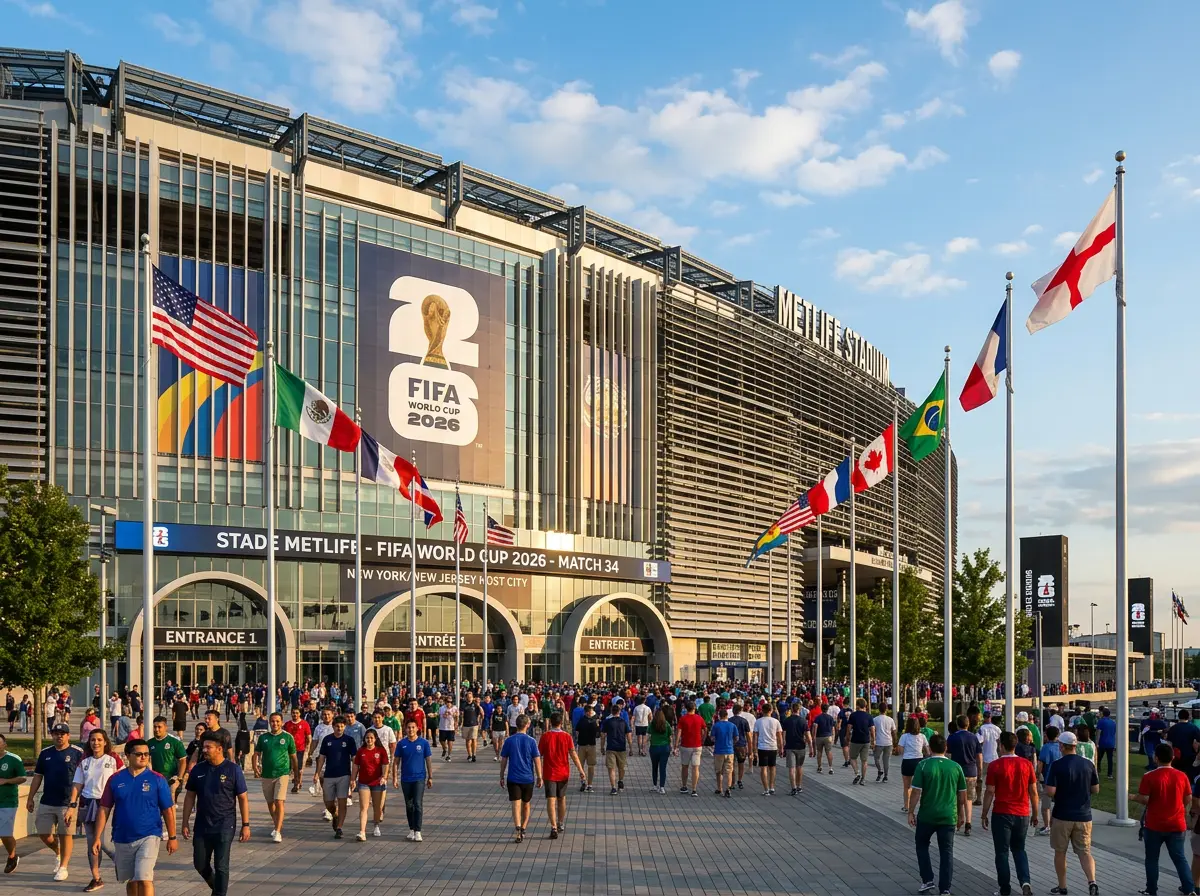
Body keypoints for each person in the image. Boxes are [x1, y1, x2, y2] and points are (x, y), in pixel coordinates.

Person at [90, 738, 176, 896]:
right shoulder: (115, 779)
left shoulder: (157, 779)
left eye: (146, 754)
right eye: (139, 754)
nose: (144, 757)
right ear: (128, 755)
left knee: (144, 877)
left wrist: (172, 836)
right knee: (131, 880)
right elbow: (104, 809)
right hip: (122, 837)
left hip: (149, 835)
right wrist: (97, 837)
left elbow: (168, 810)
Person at [180, 732, 250, 896]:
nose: (204, 750)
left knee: (221, 865)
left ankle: (219, 893)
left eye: (208, 747)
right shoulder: (198, 769)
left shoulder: (233, 769)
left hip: (224, 825)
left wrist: (246, 825)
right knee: (200, 863)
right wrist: (185, 822)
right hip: (202, 825)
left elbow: (243, 798)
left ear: (219, 749)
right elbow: (190, 796)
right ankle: (217, 888)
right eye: (203, 746)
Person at [908, 734, 967, 896]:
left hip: (927, 815)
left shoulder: (923, 765)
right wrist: (962, 815)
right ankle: (945, 888)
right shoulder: (956, 767)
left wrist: (911, 811)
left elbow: (916, 792)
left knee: (921, 845)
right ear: (945, 748)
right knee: (946, 851)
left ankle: (927, 879)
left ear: (930, 748)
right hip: (948, 816)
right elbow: (962, 796)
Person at [981, 731, 1038, 896]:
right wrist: (1035, 813)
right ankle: (1025, 882)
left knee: (1002, 852)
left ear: (1002, 746)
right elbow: (1033, 792)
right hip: (1022, 813)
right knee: (1020, 850)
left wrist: (984, 813)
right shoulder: (1026, 764)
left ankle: (1005, 888)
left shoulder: (995, 765)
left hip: (1002, 813)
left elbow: (990, 791)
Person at [1136, 742, 1196, 896]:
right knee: (1180, 858)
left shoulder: (1149, 776)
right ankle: (1190, 890)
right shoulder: (1182, 776)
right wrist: (1179, 805)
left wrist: (1132, 797)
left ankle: (1151, 890)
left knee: (1152, 859)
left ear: (1156, 758)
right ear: (1173, 757)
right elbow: (1188, 797)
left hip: (1154, 824)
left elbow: (1145, 799)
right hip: (1177, 824)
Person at [1044, 731, 1100, 896]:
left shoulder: (1057, 765)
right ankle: (1092, 882)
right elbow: (1095, 789)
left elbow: (1050, 791)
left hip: (1062, 815)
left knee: (1060, 852)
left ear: (1061, 746)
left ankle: (1062, 886)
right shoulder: (1089, 764)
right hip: (1084, 816)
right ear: (1075, 746)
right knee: (1085, 852)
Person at [26, 721, 83, 882]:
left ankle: (63, 866)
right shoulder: (45, 753)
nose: (59, 736)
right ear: (52, 735)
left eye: (62, 734)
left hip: (67, 801)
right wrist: (30, 798)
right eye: (56, 734)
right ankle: (58, 852)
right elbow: (38, 776)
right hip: (47, 800)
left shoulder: (77, 752)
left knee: (65, 834)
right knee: (44, 834)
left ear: (68, 736)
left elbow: (83, 776)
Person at [68, 729, 123, 893]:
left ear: (105, 742)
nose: (96, 743)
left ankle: (123, 864)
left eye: (99, 740)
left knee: (104, 842)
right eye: (93, 740)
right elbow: (77, 784)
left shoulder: (113, 759)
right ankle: (96, 877)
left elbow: (121, 780)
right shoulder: (84, 761)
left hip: (106, 804)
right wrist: (72, 805)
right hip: (87, 804)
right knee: (92, 844)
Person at [538, 712, 585, 838]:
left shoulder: (545, 736)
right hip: (563, 772)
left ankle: (553, 826)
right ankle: (560, 822)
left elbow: (539, 756)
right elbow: (573, 754)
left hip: (548, 773)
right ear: (561, 722)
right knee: (562, 798)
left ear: (550, 722)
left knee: (550, 799)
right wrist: (581, 770)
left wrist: (538, 773)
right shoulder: (567, 736)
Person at [252, 713, 296, 843]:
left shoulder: (287, 737)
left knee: (279, 801)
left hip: (282, 773)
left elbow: (293, 756)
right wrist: (255, 767)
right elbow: (256, 753)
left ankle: (277, 831)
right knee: (270, 802)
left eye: (277, 721)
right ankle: (277, 823)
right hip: (266, 774)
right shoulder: (264, 737)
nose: (275, 724)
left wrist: (297, 774)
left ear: (282, 722)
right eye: (272, 721)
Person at [499, 715, 542, 842]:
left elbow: (504, 759)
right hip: (528, 778)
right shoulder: (532, 741)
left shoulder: (509, 740)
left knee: (515, 804)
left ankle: (517, 827)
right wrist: (540, 776)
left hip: (513, 777)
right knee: (526, 804)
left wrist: (501, 775)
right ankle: (523, 828)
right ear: (527, 725)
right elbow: (537, 760)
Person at [391, 719, 433, 842]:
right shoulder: (401, 743)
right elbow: (396, 762)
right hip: (406, 779)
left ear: (417, 728)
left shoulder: (423, 743)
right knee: (409, 805)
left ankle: (418, 831)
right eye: (408, 727)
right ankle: (411, 829)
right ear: (405, 729)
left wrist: (430, 776)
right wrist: (395, 777)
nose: (411, 730)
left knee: (418, 804)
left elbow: (428, 760)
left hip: (419, 778)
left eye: (413, 727)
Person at [316, 716, 357, 839]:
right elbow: (322, 757)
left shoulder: (349, 740)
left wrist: (353, 777)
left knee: (342, 801)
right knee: (328, 802)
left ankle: (339, 828)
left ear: (345, 727)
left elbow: (354, 759)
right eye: (337, 726)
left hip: (344, 775)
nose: (339, 728)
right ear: (333, 727)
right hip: (329, 775)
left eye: (341, 726)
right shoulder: (327, 740)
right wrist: (317, 773)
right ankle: (335, 814)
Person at [350, 729, 389, 842]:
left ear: (375, 739)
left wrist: (384, 777)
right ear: (364, 739)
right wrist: (353, 779)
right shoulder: (361, 751)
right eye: (367, 738)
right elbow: (356, 766)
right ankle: (362, 831)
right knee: (364, 808)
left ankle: (376, 825)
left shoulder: (381, 751)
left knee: (377, 808)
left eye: (371, 738)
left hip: (377, 782)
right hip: (363, 783)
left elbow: (385, 765)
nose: (369, 740)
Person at [947, 714, 981, 835]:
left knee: (956, 797)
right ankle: (968, 822)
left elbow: (948, 755)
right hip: (971, 771)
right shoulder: (974, 738)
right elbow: (979, 756)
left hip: (956, 771)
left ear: (957, 724)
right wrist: (980, 770)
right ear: (968, 724)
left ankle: (958, 820)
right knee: (969, 799)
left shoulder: (952, 738)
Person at [0, 733, 26, 875]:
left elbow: (22, 777)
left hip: (7, 802)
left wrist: (7, 781)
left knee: (4, 834)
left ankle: (12, 856)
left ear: (5, 745)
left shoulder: (13, 759)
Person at [146, 717, 187, 802]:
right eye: (155, 727)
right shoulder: (149, 743)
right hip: (155, 778)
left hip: (171, 779)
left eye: (159, 727)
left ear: (165, 727)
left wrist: (179, 778)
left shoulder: (175, 742)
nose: (156, 729)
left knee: (168, 806)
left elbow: (183, 760)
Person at [898, 716, 931, 814]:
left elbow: (900, 750)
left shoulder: (904, 736)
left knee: (906, 786)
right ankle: (923, 804)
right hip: (919, 762)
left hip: (907, 761)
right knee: (920, 786)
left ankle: (906, 806)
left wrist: (905, 752)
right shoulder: (922, 736)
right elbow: (928, 751)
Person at [752, 702, 784, 795]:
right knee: (772, 767)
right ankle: (772, 787)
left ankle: (766, 789)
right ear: (771, 710)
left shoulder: (758, 721)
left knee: (763, 769)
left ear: (762, 711)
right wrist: (781, 747)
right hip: (773, 747)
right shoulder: (776, 721)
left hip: (762, 747)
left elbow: (755, 736)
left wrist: (754, 749)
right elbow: (779, 736)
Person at [600, 702, 630, 795]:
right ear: (619, 712)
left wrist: (602, 746)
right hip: (621, 747)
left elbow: (603, 735)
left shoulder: (607, 722)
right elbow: (628, 734)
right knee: (622, 767)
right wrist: (631, 746)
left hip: (611, 747)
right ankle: (620, 780)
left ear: (611, 712)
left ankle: (613, 787)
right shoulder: (623, 722)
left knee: (611, 768)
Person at [781, 702, 811, 797]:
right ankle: (799, 786)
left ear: (791, 709)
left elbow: (783, 735)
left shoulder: (786, 721)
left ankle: (793, 787)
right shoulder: (803, 721)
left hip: (790, 746)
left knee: (791, 768)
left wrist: (782, 747)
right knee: (799, 767)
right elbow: (808, 736)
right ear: (799, 710)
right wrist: (811, 747)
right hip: (801, 746)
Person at [677, 702, 705, 797]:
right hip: (697, 745)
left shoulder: (682, 719)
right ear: (694, 708)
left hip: (685, 745)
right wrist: (703, 739)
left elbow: (679, 732)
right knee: (695, 767)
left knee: (685, 766)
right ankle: (694, 789)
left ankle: (684, 786)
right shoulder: (699, 718)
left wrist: (676, 744)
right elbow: (705, 729)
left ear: (686, 708)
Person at [282, 708, 311, 794]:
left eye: (297, 713)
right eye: (293, 713)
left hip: (300, 749)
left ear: (300, 714)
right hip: (288, 750)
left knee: (298, 768)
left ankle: (296, 785)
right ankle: (291, 782)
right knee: (288, 768)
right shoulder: (287, 724)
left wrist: (308, 748)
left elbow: (309, 737)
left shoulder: (304, 724)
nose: (295, 714)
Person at [710, 709, 737, 798]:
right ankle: (728, 789)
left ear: (719, 716)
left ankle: (719, 788)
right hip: (729, 751)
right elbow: (736, 738)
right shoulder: (732, 725)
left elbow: (712, 738)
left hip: (719, 751)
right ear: (727, 716)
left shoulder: (716, 726)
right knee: (729, 771)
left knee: (719, 771)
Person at [846, 698, 873, 786]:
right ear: (865, 706)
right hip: (866, 740)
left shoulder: (853, 715)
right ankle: (863, 779)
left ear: (857, 705)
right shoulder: (869, 716)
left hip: (855, 740)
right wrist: (874, 739)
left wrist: (847, 737)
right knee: (864, 761)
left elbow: (849, 727)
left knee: (852, 758)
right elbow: (872, 729)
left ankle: (857, 773)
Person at [573, 702, 600, 792]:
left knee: (591, 766)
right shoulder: (582, 720)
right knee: (581, 765)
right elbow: (577, 731)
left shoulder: (594, 720)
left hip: (590, 745)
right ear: (587, 712)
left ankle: (589, 784)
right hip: (583, 746)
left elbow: (577, 732)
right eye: (590, 711)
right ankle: (583, 782)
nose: (592, 713)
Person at [647, 708, 673, 795]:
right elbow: (670, 736)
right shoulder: (666, 724)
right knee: (663, 768)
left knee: (654, 767)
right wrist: (671, 746)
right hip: (664, 748)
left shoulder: (652, 724)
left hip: (654, 747)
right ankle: (662, 787)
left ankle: (655, 785)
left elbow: (649, 734)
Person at [1167, 709, 1200, 776]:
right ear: (1188, 717)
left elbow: (1169, 744)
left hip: (1176, 756)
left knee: (1176, 776)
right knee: (1189, 777)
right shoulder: (1193, 728)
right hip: (1189, 756)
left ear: (1179, 717)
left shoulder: (1173, 728)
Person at [872, 706, 897, 784]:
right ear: (886, 710)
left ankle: (880, 770)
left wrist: (872, 741)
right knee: (886, 760)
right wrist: (895, 742)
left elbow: (873, 731)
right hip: (888, 742)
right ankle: (886, 776)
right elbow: (894, 732)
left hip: (879, 742)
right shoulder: (890, 720)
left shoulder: (875, 719)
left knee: (876, 758)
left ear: (879, 710)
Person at [811, 704, 836, 775]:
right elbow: (833, 728)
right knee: (829, 752)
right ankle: (830, 768)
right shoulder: (830, 718)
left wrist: (814, 736)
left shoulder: (818, 717)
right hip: (828, 737)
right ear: (827, 709)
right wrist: (833, 737)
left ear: (821, 709)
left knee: (819, 752)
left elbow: (815, 727)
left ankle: (819, 767)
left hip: (819, 737)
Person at [979, 711, 1002, 783]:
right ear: (991, 717)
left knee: (984, 778)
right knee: (995, 779)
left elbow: (979, 742)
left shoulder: (982, 728)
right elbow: (1000, 743)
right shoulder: (997, 729)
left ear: (984, 717)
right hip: (995, 757)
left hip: (984, 758)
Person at [1096, 707, 1117, 780]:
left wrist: (1096, 742)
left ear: (1103, 714)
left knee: (1099, 758)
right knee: (1110, 759)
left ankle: (1097, 771)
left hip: (1102, 742)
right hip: (1111, 743)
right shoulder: (1113, 722)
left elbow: (1098, 732)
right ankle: (1110, 774)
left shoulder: (1101, 721)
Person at [460, 693, 482, 763]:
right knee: (468, 741)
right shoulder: (463, 704)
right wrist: (461, 724)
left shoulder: (475, 705)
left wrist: (479, 706)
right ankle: (469, 754)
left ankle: (474, 755)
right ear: (466, 698)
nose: (469, 698)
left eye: (471, 697)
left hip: (474, 724)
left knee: (474, 739)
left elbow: (481, 713)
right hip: (466, 724)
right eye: (468, 697)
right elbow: (461, 714)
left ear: (473, 698)